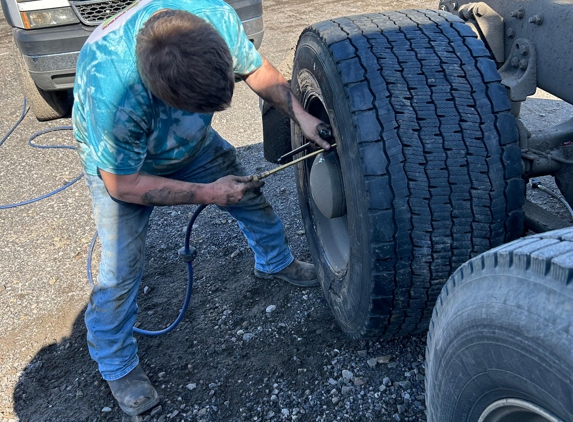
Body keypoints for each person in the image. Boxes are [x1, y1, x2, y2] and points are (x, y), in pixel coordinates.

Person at [71, 0, 332, 416]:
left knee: (247, 193)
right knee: (120, 272)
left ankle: (275, 261)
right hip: (127, 169)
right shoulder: (112, 92)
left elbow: (258, 70)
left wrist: (298, 112)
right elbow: (123, 184)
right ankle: (117, 363)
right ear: (164, 98)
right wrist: (208, 193)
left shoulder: (213, 17)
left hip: (190, 143)